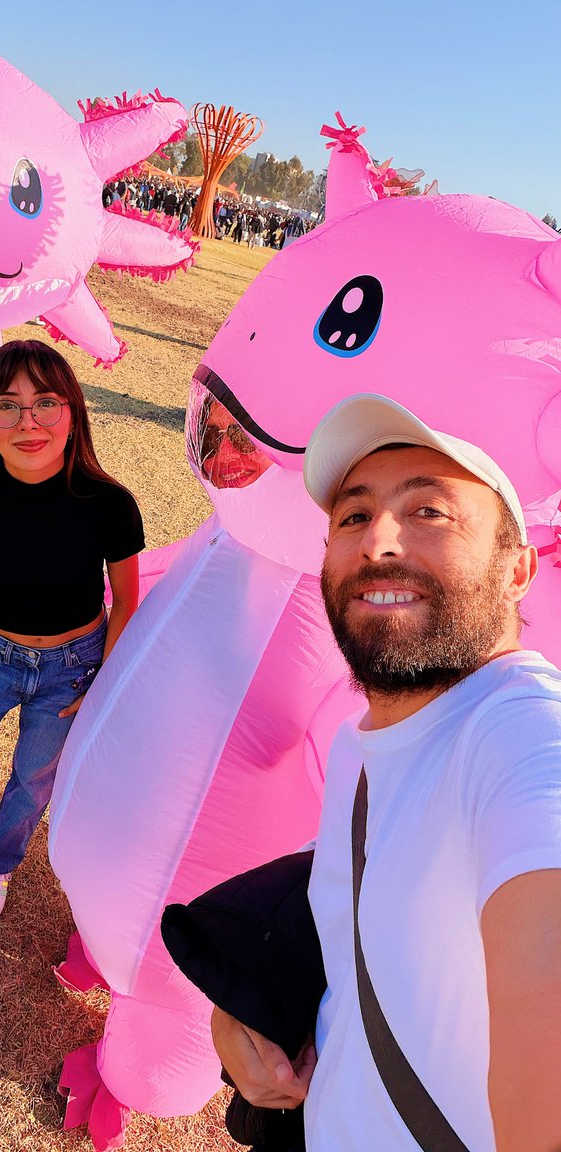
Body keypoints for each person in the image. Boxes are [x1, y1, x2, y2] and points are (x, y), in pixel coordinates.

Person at [212, 393, 561, 1151]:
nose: (379, 540)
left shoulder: (525, 734)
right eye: (353, 516)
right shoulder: (361, 745)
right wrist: (248, 1008)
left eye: (429, 511)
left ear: (518, 570)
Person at [0, 340, 144, 926]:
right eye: (7, 405)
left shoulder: (111, 504)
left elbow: (126, 601)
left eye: (46, 403)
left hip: (74, 668)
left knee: (32, 781)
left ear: (74, 415)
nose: (28, 422)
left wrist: (101, 685)